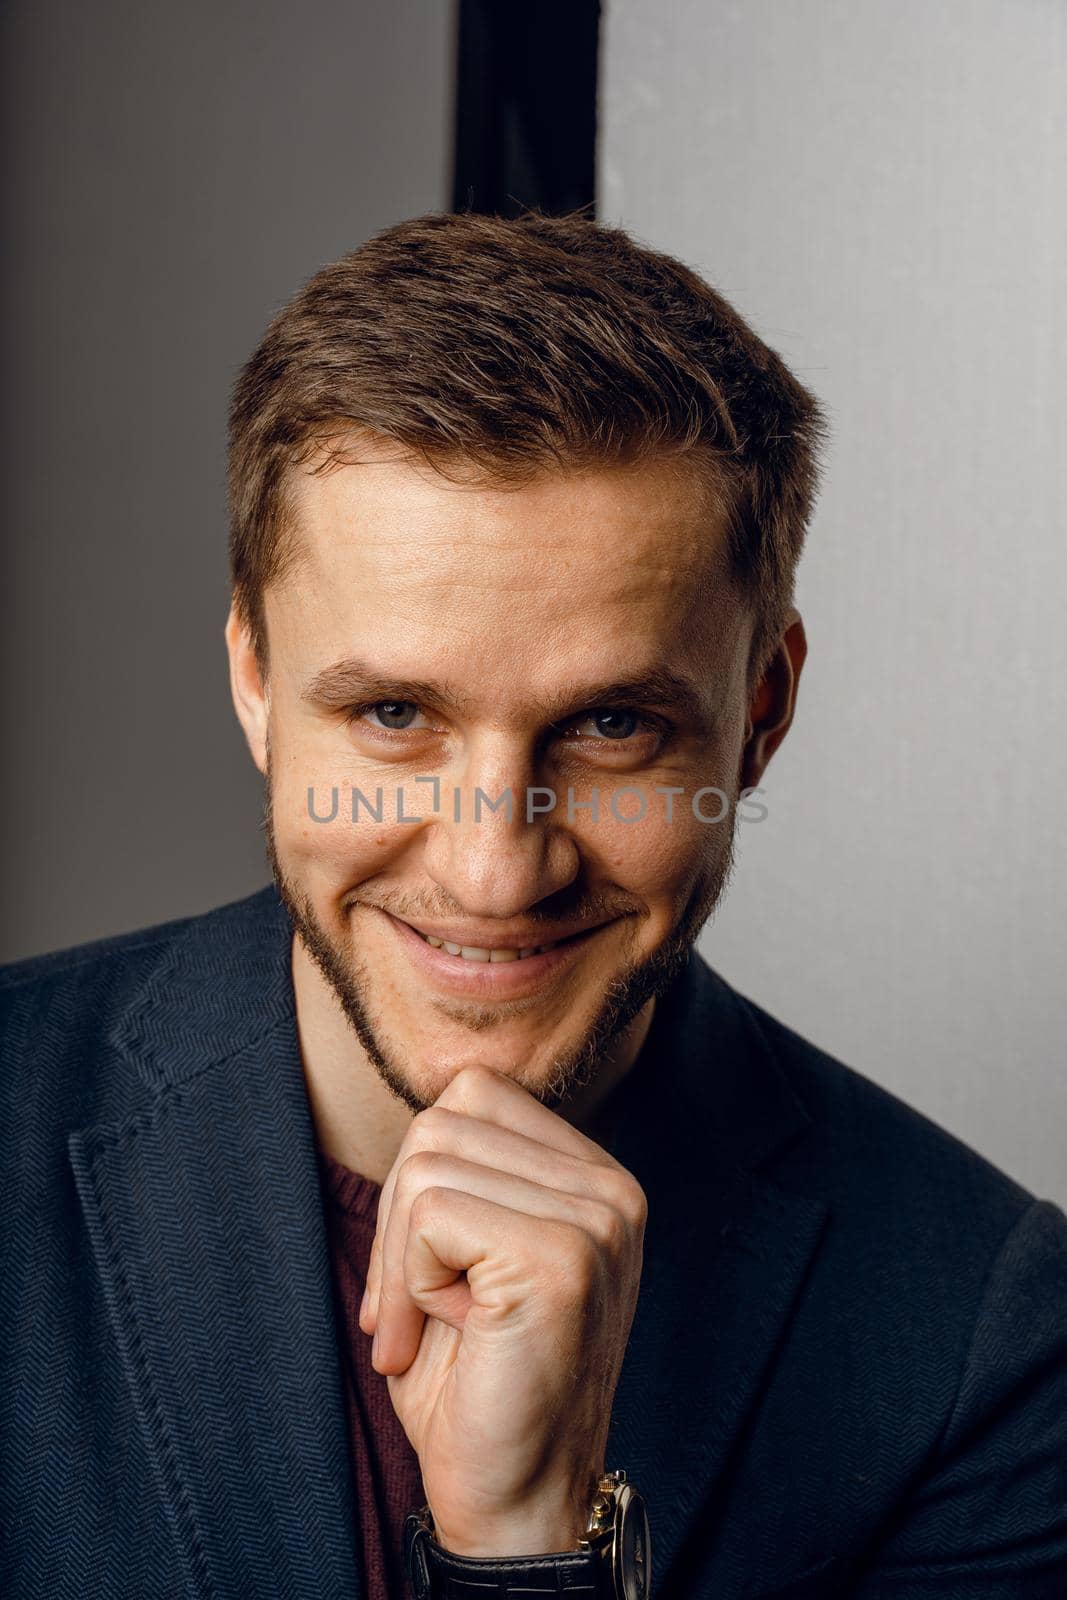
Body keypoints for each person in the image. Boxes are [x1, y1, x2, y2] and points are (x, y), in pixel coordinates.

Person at [2, 211, 1065, 1600]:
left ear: (762, 711)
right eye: (394, 715)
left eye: (613, 726)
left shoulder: (981, 1337)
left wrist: (533, 1550)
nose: (494, 871)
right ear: (255, 682)